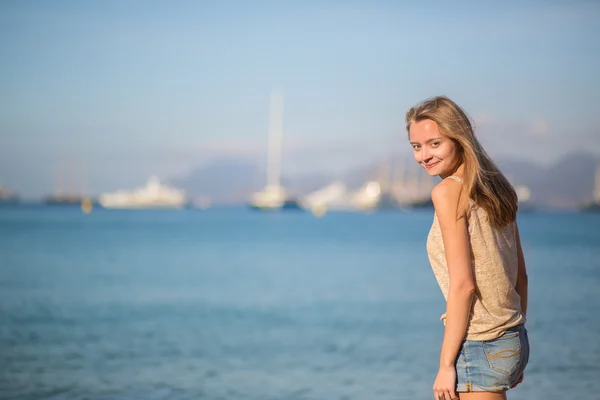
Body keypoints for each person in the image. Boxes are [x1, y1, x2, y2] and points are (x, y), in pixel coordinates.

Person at [405, 96, 529, 400]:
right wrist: (512, 350)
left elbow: (463, 286)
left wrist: (446, 364)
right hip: (511, 336)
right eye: (416, 146)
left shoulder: (447, 193)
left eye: (434, 143)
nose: (424, 156)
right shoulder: (497, 187)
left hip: (482, 342)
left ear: (459, 138)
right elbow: (521, 277)